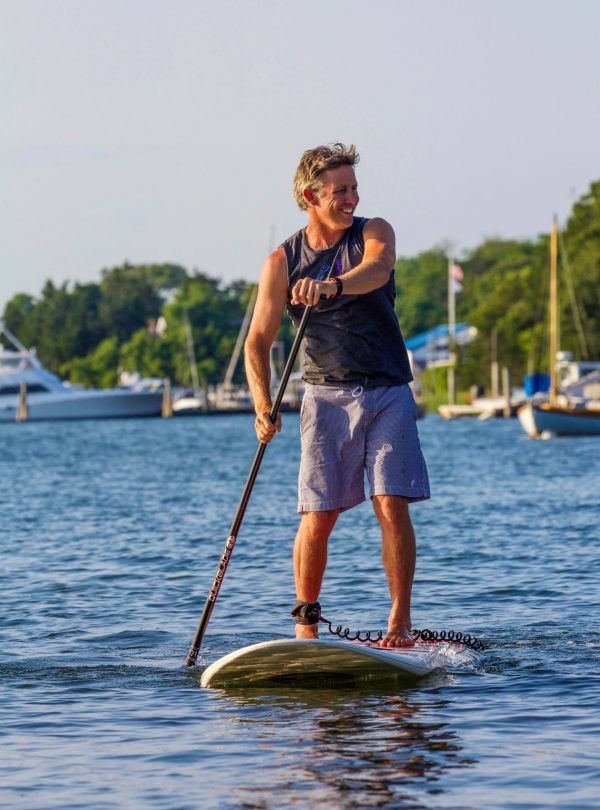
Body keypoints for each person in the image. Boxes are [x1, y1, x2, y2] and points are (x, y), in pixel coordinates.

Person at [244, 143, 429, 648]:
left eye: (354, 187)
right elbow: (256, 344)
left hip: (388, 390)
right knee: (318, 516)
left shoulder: (374, 231)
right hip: (325, 397)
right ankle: (305, 626)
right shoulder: (281, 261)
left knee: (391, 504)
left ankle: (400, 624)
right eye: (340, 190)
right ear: (310, 195)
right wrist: (263, 406)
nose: (352, 197)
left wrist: (330, 287)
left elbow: (379, 270)